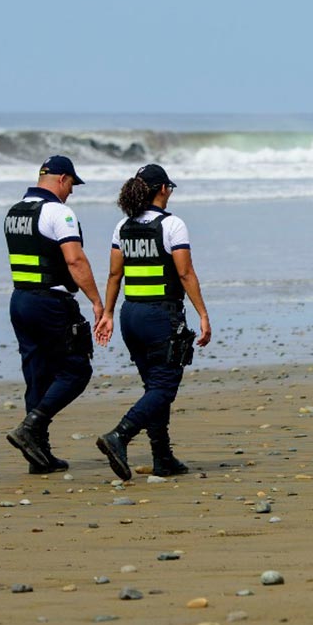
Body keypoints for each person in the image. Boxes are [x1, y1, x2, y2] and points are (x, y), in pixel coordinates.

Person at [93, 164, 211, 481]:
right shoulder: (172, 225)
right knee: (164, 388)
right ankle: (119, 435)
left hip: (130, 315)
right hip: (160, 316)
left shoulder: (123, 226)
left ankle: (163, 457)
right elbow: (185, 273)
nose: (170, 194)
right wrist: (202, 313)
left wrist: (106, 314)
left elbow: (114, 275)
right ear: (161, 190)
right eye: (169, 189)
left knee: (153, 387)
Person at [4, 155, 104, 473]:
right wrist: (97, 302)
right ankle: (31, 428)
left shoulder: (14, 212)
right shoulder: (58, 212)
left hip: (19, 300)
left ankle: (39, 456)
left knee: (37, 376)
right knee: (76, 371)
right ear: (61, 179)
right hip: (50, 301)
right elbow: (75, 261)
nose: (72, 191)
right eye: (72, 184)